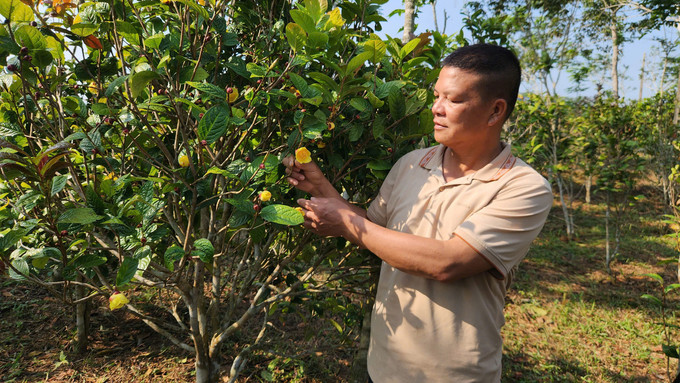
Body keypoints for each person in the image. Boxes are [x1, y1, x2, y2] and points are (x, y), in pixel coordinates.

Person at [283, 44, 553, 383]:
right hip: (382, 366)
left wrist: (345, 222)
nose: (436, 109)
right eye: (436, 95)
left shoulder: (523, 187)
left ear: (495, 111)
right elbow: (372, 228)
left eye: (452, 100)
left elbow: (448, 263)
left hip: (456, 376)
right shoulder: (412, 164)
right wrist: (323, 189)